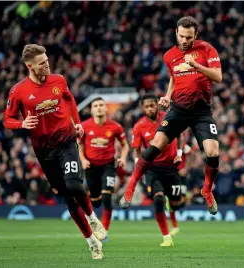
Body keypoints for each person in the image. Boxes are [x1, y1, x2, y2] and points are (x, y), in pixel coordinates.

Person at [3, 44, 105, 259]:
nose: (47, 65)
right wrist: (21, 124)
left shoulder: (58, 80)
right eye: (42, 63)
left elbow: (69, 99)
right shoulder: (19, 91)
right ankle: (92, 242)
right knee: (69, 199)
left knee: (74, 184)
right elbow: (7, 120)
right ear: (29, 66)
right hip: (44, 151)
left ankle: (93, 218)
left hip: (66, 141)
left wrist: (77, 123)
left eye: (47, 60)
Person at [120, 16, 222, 215]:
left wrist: (196, 66)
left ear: (196, 35)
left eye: (189, 37)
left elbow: (218, 76)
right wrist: (168, 95)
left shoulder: (207, 49)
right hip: (178, 109)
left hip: (201, 111)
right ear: (176, 32)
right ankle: (131, 186)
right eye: (182, 36)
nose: (185, 41)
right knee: (155, 146)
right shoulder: (169, 56)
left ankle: (207, 190)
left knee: (213, 152)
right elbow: (174, 78)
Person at [131, 94, 184, 247]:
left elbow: (179, 135)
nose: (149, 108)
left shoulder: (168, 118)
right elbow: (136, 149)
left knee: (176, 204)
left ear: (157, 105)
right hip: (153, 168)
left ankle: (171, 203)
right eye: (146, 106)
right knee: (158, 198)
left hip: (170, 167)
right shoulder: (139, 126)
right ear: (142, 108)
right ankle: (167, 237)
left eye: (152, 105)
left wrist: (179, 154)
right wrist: (138, 165)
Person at [78, 97, 129, 240]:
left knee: (107, 196)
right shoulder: (84, 126)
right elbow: (79, 144)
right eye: (96, 106)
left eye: (101, 105)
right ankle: (95, 218)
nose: (99, 107)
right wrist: (82, 159)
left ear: (106, 108)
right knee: (96, 201)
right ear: (91, 110)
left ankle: (104, 231)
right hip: (91, 166)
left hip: (109, 165)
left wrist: (123, 158)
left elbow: (125, 145)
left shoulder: (115, 127)